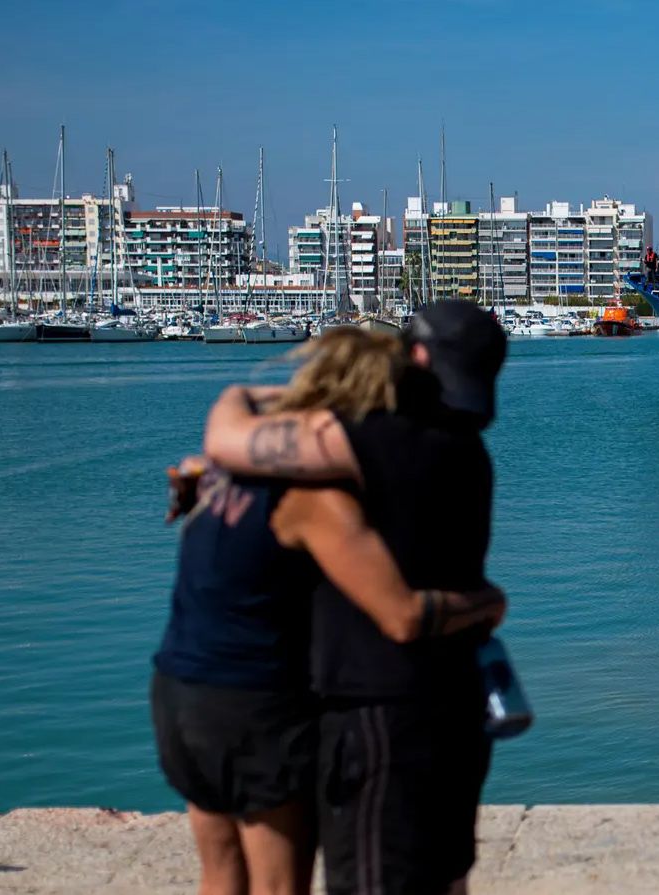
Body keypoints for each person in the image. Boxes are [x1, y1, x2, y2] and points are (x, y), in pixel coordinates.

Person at [153, 327, 506, 895]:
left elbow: (233, 415)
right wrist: (486, 602)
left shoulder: (221, 473)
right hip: (255, 702)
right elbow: (400, 613)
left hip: (179, 688)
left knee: (220, 871)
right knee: (276, 886)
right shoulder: (313, 496)